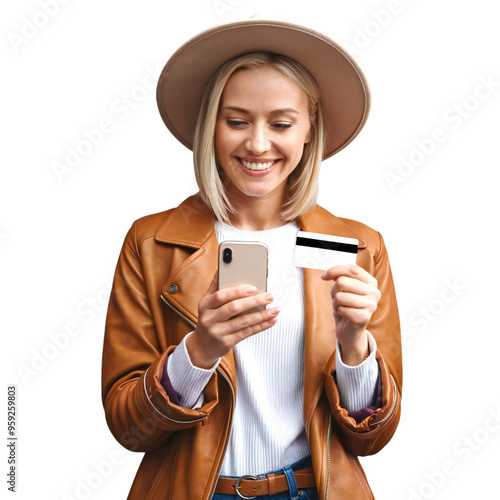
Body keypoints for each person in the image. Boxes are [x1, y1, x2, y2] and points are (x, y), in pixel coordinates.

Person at [101, 19, 402, 500]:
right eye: (237, 121)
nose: (258, 144)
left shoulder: (360, 247)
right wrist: (197, 353)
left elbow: (372, 438)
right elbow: (128, 427)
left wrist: (354, 346)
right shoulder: (152, 241)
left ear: (309, 130)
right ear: (210, 128)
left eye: (281, 123)